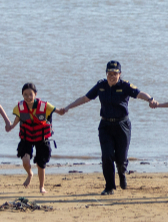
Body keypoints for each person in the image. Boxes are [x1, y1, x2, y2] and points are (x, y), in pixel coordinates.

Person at [57, 61, 155, 195]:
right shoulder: (100, 85)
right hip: (105, 126)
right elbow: (85, 98)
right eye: (109, 73)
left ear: (120, 74)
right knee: (107, 156)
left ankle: (121, 173)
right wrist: (68, 107)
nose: (112, 76)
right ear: (106, 73)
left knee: (121, 159)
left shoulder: (125, 85)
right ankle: (109, 187)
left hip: (122, 126)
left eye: (115, 73)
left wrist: (150, 99)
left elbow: (139, 94)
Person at [5, 83, 56, 194]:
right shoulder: (19, 107)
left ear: (35, 94)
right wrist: (10, 127)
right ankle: (30, 174)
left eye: (30, 94)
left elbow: (57, 110)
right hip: (27, 137)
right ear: (22, 95)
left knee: (41, 164)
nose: (28, 97)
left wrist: (63, 110)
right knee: (25, 161)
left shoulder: (45, 106)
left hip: (41, 138)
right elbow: (17, 120)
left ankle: (41, 187)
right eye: (25, 95)